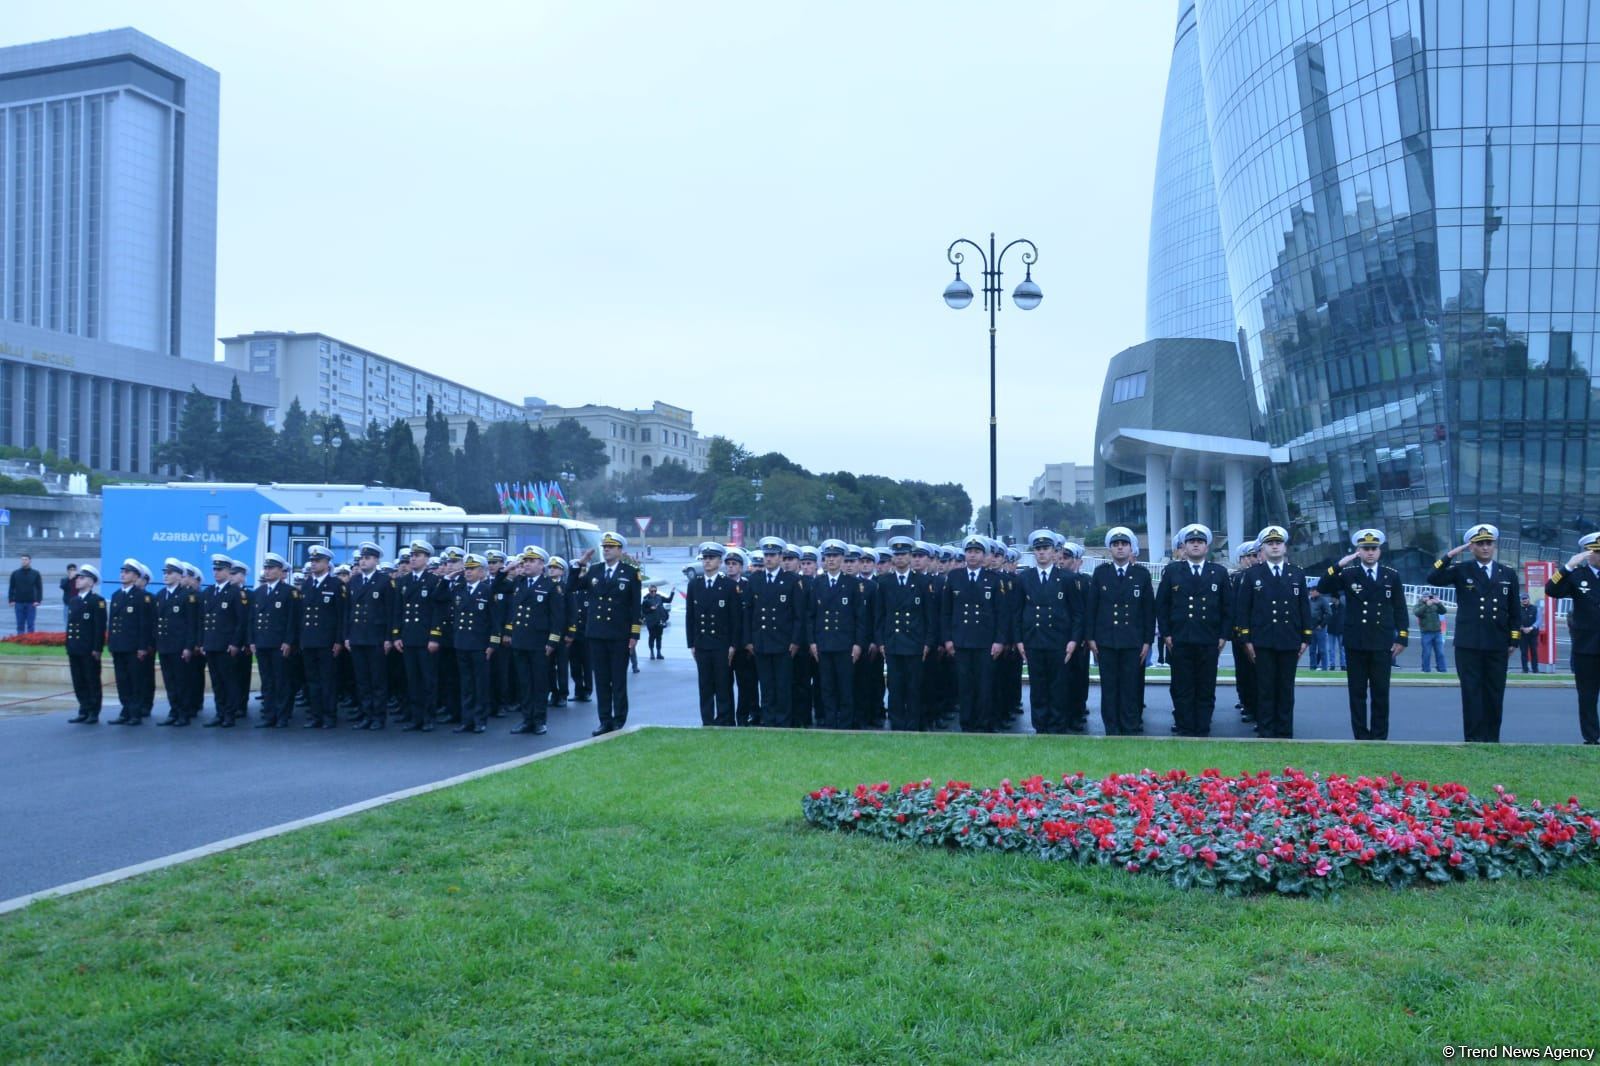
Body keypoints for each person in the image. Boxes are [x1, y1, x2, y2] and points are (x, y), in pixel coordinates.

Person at [1428, 523, 1520, 743]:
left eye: (1489, 543)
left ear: (1494, 546)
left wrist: (1514, 639)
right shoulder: (1462, 570)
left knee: (1495, 692)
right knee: (1471, 692)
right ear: (1471, 547)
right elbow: (1433, 577)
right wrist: (1450, 555)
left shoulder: (1507, 573)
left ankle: (1492, 738)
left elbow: (1515, 609)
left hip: (1497, 642)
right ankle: (1473, 738)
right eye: (1480, 544)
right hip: (1469, 643)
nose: (1485, 547)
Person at [1315, 529, 1408, 740]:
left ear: (1380, 551)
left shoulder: (1391, 575)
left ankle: (1379, 736)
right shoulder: (1348, 574)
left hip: (1382, 641)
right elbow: (1323, 586)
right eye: (1365, 549)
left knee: (1380, 692)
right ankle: (1360, 735)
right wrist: (1339, 564)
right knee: (1357, 693)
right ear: (1359, 551)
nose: (1370, 552)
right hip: (1356, 641)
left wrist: (1402, 636)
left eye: (1373, 548)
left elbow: (1400, 608)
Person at [1236, 525, 1312, 739]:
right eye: (1270, 543)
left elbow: (1304, 607)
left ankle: (1284, 731)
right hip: (1263, 640)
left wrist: (1306, 637)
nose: (1275, 546)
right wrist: (1246, 639)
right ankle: (1266, 730)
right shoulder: (1252, 574)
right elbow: (1244, 609)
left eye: (1278, 543)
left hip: (1289, 639)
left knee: (1286, 688)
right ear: (1263, 549)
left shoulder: (1296, 573)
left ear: (1285, 547)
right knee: (1265, 688)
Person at [1156, 523, 1231, 737]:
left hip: (1209, 639)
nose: (1196, 545)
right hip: (1181, 638)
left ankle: (1203, 726)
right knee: (1182, 686)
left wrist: (1223, 635)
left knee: (1206, 686)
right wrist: (1166, 634)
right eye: (1191, 542)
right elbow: (1162, 605)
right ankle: (1184, 725)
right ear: (1184, 546)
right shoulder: (1172, 571)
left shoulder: (1219, 573)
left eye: (1200, 542)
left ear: (1206, 547)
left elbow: (1228, 607)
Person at [571, 532, 642, 736]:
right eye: (604, 547)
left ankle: (619, 720)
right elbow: (571, 586)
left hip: (619, 635)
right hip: (596, 634)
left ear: (620, 550)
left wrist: (634, 635)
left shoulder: (630, 572)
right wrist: (579, 564)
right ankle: (604, 720)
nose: (607, 550)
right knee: (601, 680)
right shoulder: (594, 570)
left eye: (611, 546)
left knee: (618, 680)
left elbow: (635, 606)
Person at [1087, 527, 1153, 735]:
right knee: (1109, 687)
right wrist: (1091, 638)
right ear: (1110, 549)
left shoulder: (1141, 574)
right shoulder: (1101, 573)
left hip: (1133, 641)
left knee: (1130, 686)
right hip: (1106, 640)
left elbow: (1148, 611)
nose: (1120, 548)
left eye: (1124, 544)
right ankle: (1112, 727)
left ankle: (1130, 725)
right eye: (1116, 545)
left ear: (1131, 548)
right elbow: (1092, 608)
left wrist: (1147, 641)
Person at [943, 534, 1006, 732]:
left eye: (977, 551)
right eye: (969, 551)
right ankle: (967, 724)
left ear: (984, 555)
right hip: (961, 641)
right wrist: (947, 639)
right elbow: (946, 611)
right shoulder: (954, 577)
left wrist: (999, 641)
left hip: (985, 642)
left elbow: (1001, 613)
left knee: (984, 685)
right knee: (965, 685)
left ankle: (983, 724)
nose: (972, 555)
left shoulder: (994, 579)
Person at [874, 535, 934, 732]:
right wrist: (881, 641)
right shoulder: (884, 582)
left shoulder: (922, 582)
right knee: (895, 686)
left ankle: (913, 724)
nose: (900, 558)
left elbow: (929, 616)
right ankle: (897, 723)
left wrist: (927, 642)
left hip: (915, 642)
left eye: (904, 554)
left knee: (914, 686)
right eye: (897, 554)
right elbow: (880, 615)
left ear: (909, 556)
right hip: (893, 641)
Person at [1544, 532, 1600, 745]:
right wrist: (1568, 566)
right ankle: (1591, 737)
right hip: (1586, 647)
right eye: (1597, 552)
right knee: (1587, 696)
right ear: (1587, 554)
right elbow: (1551, 589)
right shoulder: (1577, 575)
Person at [746, 536, 804, 728]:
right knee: (766, 684)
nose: (769, 559)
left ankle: (783, 720)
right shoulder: (755, 580)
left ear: (780, 557)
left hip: (783, 642)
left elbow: (798, 615)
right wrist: (749, 640)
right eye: (766, 555)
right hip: (761, 641)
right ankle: (768, 719)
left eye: (773, 555)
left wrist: (795, 641)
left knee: (783, 685)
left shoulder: (791, 580)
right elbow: (748, 613)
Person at [506, 546, 562, 735]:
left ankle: (539, 720)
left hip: (539, 642)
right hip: (520, 640)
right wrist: (508, 569)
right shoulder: (519, 582)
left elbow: (557, 617)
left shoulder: (550, 586)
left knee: (539, 683)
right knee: (524, 683)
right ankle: (526, 719)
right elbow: (497, 587)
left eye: (531, 561)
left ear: (541, 564)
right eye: (525, 561)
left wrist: (552, 642)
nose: (527, 564)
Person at [810, 539, 865, 729]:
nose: (831, 560)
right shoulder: (817, 583)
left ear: (842, 559)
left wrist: (858, 644)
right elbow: (811, 616)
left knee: (845, 686)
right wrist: (812, 642)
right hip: (824, 643)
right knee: (827, 686)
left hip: (845, 644)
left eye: (835, 556)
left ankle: (846, 723)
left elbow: (859, 617)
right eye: (828, 557)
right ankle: (830, 721)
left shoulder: (852, 584)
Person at [686, 542, 740, 727]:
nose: (707, 561)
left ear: (719, 561)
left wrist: (733, 645)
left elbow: (735, 619)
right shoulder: (695, 584)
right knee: (705, 685)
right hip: (702, 643)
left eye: (711, 558)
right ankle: (707, 721)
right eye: (705, 558)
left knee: (723, 684)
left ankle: (725, 719)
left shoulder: (728, 585)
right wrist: (691, 643)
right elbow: (690, 617)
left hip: (721, 644)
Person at [449, 554, 501, 734]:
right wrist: (449, 577)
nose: (468, 572)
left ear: (481, 572)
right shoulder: (459, 589)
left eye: (472, 569)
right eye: (466, 569)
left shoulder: (487, 591)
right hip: (462, 642)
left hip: (480, 644)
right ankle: (467, 720)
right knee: (466, 684)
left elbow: (495, 621)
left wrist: (493, 644)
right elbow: (439, 596)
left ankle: (480, 720)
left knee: (480, 684)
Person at [345, 542, 393, 730]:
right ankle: (366, 715)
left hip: (376, 637)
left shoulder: (384, 581)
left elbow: (390, 612)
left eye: (367, 558)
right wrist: (347, 636)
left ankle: (378, 717)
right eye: (361, 558)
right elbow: (348, 612)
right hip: (357, 636)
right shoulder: (354, 581)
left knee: (377, 680)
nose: (363, 561)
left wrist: (388, 637)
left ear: (376, 561)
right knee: (362, 680)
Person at [298, 546, 347, 729]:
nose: (313, 564)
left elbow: (341, 615)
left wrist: (338, 640)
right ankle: (315, 715)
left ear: (327, 563)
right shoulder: (307, 584)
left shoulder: (335, 585)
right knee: (312, 681)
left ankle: (329, 715)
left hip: (327, 641)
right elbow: (301, 615)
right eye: (312, 561)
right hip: (309, 640)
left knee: (328, 680)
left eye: (317, 561)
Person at [250, 553, 301, 728]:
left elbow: (292, 620)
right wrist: (252, 640)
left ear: (280, 571)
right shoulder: (258, 592)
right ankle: (269, 715)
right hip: (262, 642)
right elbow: (252, 619)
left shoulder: (289, 592)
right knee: (267, 681)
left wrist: (288, 641)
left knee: (282, 681)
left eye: (271, 568)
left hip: (279, 643)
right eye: (266, 568)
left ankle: (283, 715)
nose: (267, 571)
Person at [107, 559, 156, 725]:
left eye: (127, 572)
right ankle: (125, 710)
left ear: (135, 577)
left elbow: (144, 624)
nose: (123, 575)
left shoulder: (141, 596)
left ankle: (135, 713)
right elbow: (112, 622)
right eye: (122, 572)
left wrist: (142, 647)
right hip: (118, 645)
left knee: (135, 680)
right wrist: (111, 643)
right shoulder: (116, 595)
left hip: (133, 647)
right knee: (122, 681)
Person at [153, 558, 201, 726]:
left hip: (179, 646)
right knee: (170, 681)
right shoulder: (160, 595)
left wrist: (188, 647)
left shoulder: (187, 596)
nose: (166, 575)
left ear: (180, 576)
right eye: (165, 572)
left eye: (170, 573)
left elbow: (191, 624)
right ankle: (174, 710)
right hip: (164, 645)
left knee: (182, 681)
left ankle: (184, 713)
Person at [65, 565, 107, 724]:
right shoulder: (74, 600)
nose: (78, 580)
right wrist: (68, 645)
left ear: (91, 582)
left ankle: (93, 711)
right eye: (78, 577)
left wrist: (97, 648)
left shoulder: (97, 601)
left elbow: (99, 627)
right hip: (74, 648)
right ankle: (83, 708)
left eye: (82, 578)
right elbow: (70, 625)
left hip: (88, 649)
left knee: (91, 680)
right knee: (78, 680)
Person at [8, 553, 42, 635]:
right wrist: (11, 600)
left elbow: (39, 588)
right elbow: (11, 587)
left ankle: (30, 640)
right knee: (20, 624)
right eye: (22, 559)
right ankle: (20, 639)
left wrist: (38, 600)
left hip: (31, 603)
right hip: (18, 602)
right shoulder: (15, 573)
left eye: (26, 559)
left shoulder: (35, 573)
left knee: (31, 624)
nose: (24, 561)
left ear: (30, 561)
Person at [1413, 593, 1449, 672]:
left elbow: (1444, 611)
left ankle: (1442, 669)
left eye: (1428, 596)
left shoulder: (1434, 605)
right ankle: (1426, 669)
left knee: (1440, 653)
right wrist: (1426, 605)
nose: (1427, 598)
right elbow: (1417, 613)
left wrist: (1438, 603)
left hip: (1437, 632)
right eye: (1425, 596)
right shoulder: (1418, 605)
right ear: (1422, 598)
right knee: (1427, 653)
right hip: (1426, 633)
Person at [1518, 595, 1541, 673]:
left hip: (1533, 634)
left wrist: (1531, 628)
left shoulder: (1535, 608)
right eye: (1523, 599)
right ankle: (1525, 669)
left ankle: (1535, 669)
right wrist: (1522, 628)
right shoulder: (1517, 609)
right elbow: (1516, 620)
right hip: (1522, 634)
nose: (1524, 600)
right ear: (1520, 600)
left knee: (1534, 652)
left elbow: (1539, 620)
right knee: (1523, 652)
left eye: (1526, 599)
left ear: (1529, 599)